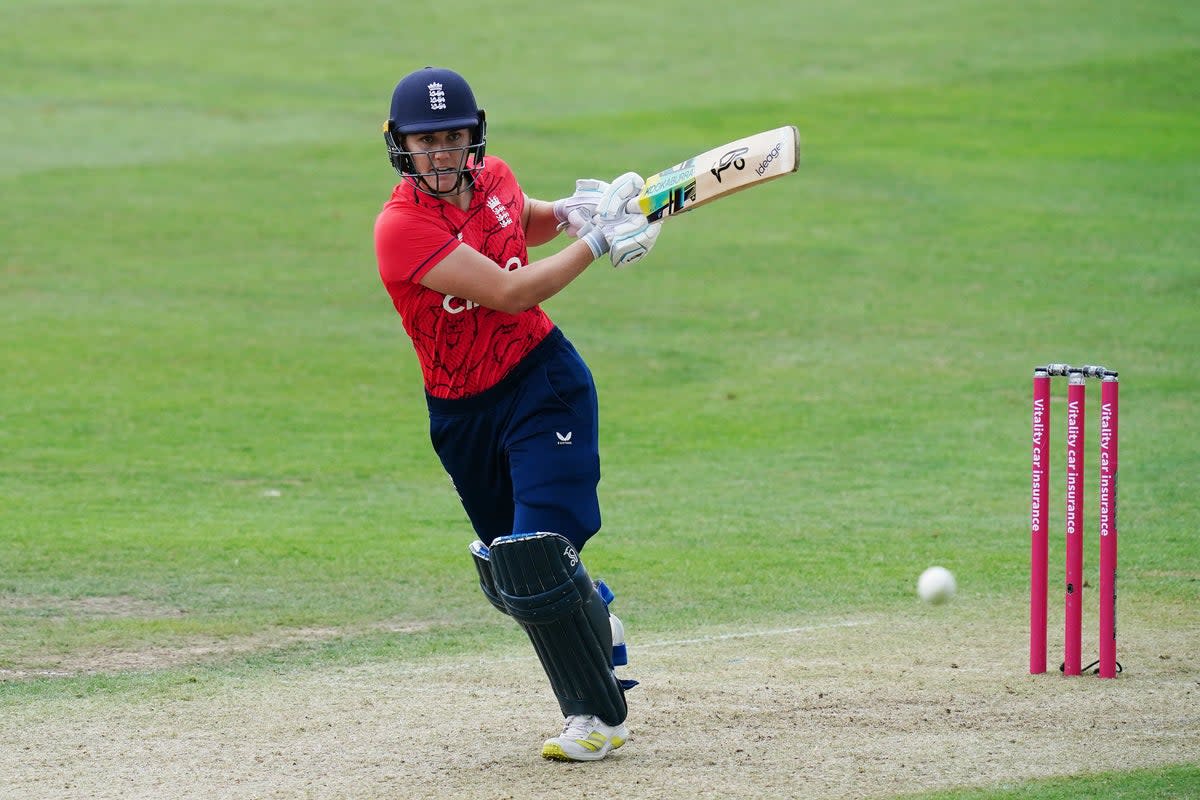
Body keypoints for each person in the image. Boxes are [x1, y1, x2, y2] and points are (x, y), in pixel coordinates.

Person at [373, 66, 662, 762]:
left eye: (454, 137)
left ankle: (596, 718)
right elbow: (508, 290)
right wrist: (597, 242)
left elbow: (515, 222)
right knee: (514, 581)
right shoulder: (400, 230)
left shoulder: (495, 175)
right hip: (462, 417)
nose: (442, 154)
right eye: (426, 141)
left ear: (474, 136)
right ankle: (595, 613)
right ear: (398, 145)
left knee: (535, 559)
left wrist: (569, 212)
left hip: (542, 386)